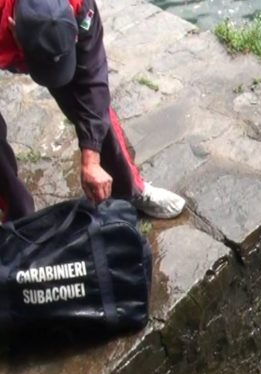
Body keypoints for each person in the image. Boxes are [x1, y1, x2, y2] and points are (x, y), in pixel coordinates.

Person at [0, 0, 185, 222]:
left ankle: (130, 189)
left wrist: (91, 157)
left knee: (94, 106)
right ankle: (16, 217)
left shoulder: (78, 4)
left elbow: (93, 81)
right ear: (13, 27)